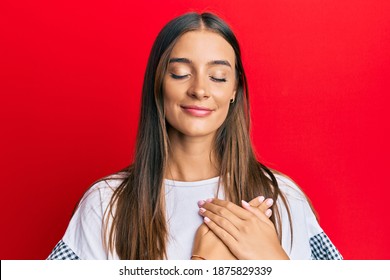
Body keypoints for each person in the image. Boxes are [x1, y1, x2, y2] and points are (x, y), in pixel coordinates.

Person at [47, 12, 342, 260]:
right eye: (179, 73)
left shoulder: (281, 197)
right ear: (158, 82)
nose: (199, 89)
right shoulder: (106, 203)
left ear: (234, 90)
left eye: (218, 77)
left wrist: (276, 263)